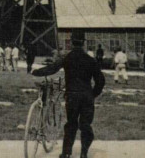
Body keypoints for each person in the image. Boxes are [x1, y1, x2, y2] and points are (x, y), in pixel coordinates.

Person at [33, 30, 105, 158]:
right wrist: (92, 94)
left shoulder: (67, 58)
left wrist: (36, 71)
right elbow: (100, 81)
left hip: (72, 96)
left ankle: (66, 153)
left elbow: (52, 68)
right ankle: (84, 153)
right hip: (86, 96)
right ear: (83, 43)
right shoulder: (90, 60)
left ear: (72, 42)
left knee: (71, 123)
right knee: (85, 125)